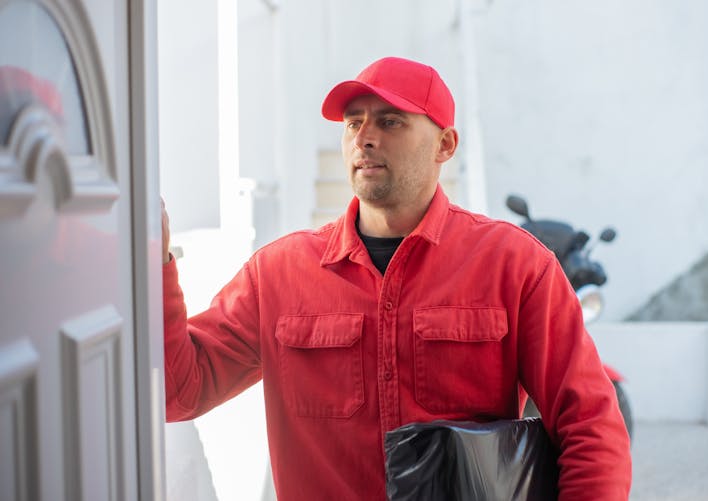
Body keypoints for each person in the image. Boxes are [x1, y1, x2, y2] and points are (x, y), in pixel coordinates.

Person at [161, 56, 631, 500]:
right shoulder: (277, 274)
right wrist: (153, 259)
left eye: (390, 121)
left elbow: (590, 424)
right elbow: (179, 392)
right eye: (353, 122)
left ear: (445, 145)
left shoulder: (514, 265)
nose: (364, 137)